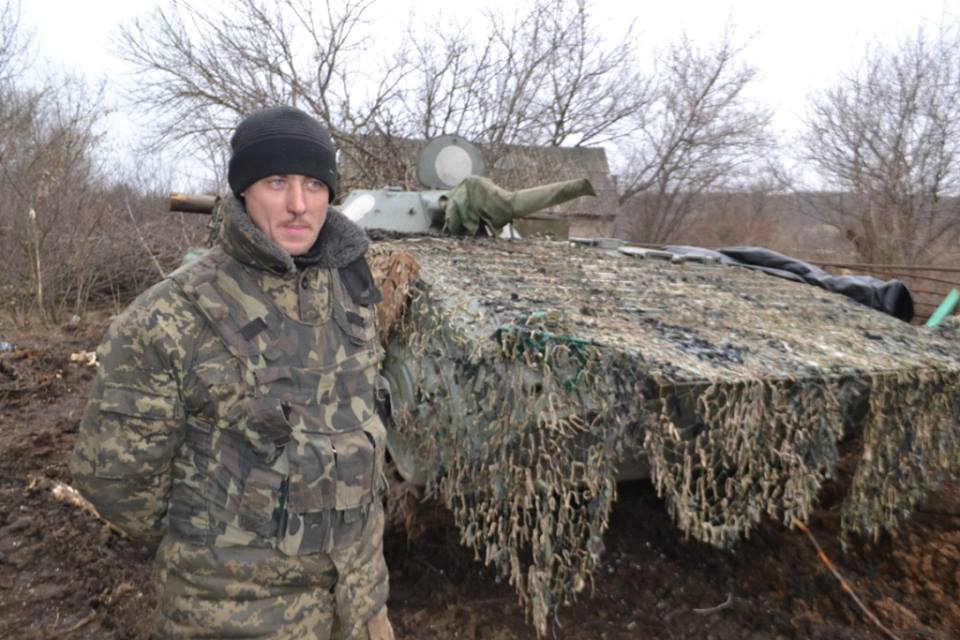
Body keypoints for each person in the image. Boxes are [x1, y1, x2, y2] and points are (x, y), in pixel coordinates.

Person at [70, 106, 394, 639]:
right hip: (235, 617)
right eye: (276, 182)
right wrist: (215, 546)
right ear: (243, 190)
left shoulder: (352, 289)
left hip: (361, 608)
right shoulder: (169, 315)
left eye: (314, 184)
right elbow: (116, 483)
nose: (298, 204)